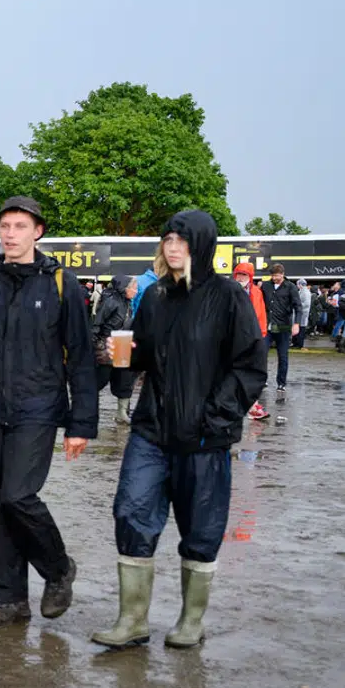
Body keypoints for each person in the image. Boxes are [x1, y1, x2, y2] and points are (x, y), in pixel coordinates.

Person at [91, 210, 266, 650]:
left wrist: (218, 415)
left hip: (206, 437)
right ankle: (132, 619)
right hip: (151, 430)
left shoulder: (228, 298)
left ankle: (191, 620)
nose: (172, 248)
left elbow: (250, 365)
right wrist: (117, 356)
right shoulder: (155, 297)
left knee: (202, 526)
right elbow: (144, 355)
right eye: (167, 240)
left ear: (201, 245)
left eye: (182, 241)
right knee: (131, 512)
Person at [0, 195, 96, 627]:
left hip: (39, 408)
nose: (11, 234)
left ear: (38, 232)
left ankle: (58, 568)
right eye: (4, 227)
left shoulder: (61, 284)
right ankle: (10, 598)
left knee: (19, 495)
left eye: (20, 226)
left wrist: (80, 423)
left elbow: (82, 356)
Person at [92, 274, 138, 423]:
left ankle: (122, 413)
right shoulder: (111, 302)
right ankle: (83, 409)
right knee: (100, 379)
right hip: (107, 345)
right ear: (125, 288)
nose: (136, 291)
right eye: (133, 288)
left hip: (122, 343)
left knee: (124, 379)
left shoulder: (128, 303)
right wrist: (94, 344)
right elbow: (97, 323)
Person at [233, 263, 271, 420]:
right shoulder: (230, 291)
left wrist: (259, 336)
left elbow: (259, 315)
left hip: (249, 338)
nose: (241, 278)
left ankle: (252, 407)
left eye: (244, 275)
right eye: (239, 274)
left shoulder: (256, 293)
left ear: (250, 277)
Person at [259, 263, 298, 392]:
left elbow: (298, 306)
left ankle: (281, 382)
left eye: (277, 275)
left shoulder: (291, 287)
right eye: (273, 275)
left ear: (282, 274)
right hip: (267, 325)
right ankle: (262, 379)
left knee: (282, 355)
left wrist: (296, 323)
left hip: (283, 325)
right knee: (261, 353)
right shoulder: (265, 286)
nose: (274, 278)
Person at [292, 278, 312, 349]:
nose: (297, 285)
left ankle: (299, 344)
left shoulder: (305, 292)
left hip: (303, 314)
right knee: (299, 328)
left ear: (300, 284)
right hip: (301, 313)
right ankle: (296, 343)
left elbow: (306, 304)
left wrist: (297, 305)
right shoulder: (302, 291)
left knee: (301, 329)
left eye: (297, 284)